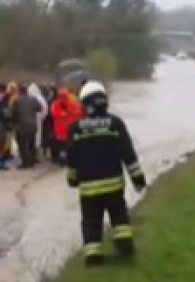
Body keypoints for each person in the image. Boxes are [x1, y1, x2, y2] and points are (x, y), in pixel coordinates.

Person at [66, 81, 147, 267]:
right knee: (119, 217)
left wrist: (72, 179)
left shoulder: (75, 129)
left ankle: (92, 256)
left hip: (88, 189)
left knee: (91, 221)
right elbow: (129, 154)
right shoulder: (116, 124)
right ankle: (125, 247)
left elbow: (71, 159)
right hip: (114, 186)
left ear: (84, 104)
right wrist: (138, 178)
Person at [11, 86, 42, 169]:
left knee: (22, 145)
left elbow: (14, 114)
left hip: (21, 126)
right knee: (32, 144)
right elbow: (40, 108)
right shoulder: (33, 99)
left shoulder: (16, 100)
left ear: (20, 91)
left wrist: (14, 123)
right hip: (33, 125)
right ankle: (32, 162)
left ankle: (25, 163)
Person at [50, 87, 82, 165]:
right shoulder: (55, 104)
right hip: (59, 129)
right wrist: (64, 114)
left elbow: (79, 112)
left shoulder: (72, 103)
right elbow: (53, 113)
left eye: (63, 96)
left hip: (68, 129)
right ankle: (58, 158)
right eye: (61, 96)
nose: (62, 99)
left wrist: (69, 112)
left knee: (66, 145)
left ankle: (65, 158)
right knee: (58, 145)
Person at [27, 83, 49, 157]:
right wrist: (42, 117)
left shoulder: (27, 98)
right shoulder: (40, 98)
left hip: (29, 120)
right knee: (37, 136)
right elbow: (45, 109)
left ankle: (30, 154)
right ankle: (36, 155)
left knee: (31, 136)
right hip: (38, 120)